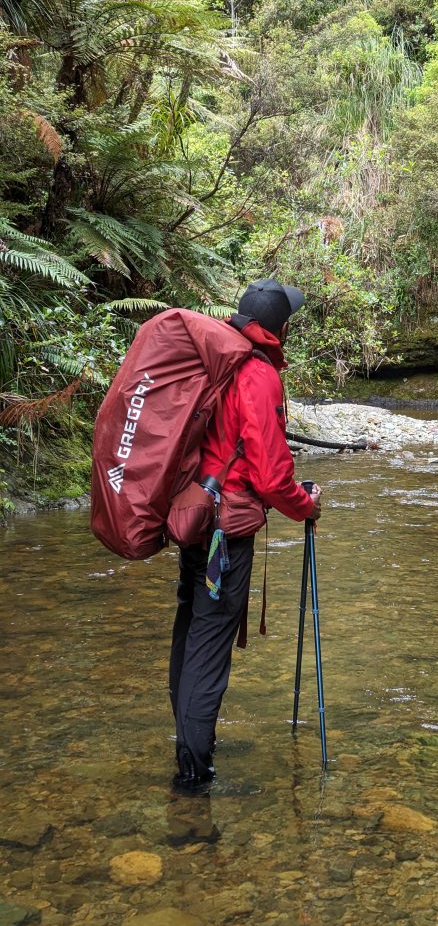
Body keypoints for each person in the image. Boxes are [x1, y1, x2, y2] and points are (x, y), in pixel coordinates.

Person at [169, 279, 321, 791]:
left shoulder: (220, 361)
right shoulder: (257, 375)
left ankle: (190, 745)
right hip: (225, 533)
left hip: (195, 515)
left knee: (192, 631)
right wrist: (306, 506)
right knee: (210, 645)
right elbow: (270, 477)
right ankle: (193, 772)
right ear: (278, 328)